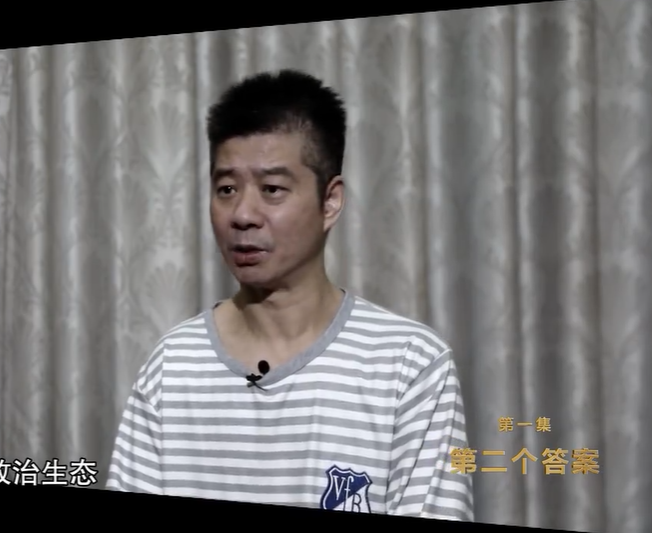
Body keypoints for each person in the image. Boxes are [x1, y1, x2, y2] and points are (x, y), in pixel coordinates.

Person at [106, 69, 473, 521]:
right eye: (226, 189)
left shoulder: (409, 365)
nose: (243, 214)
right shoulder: (171, 365)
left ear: (330, 201)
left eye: (272, 189)